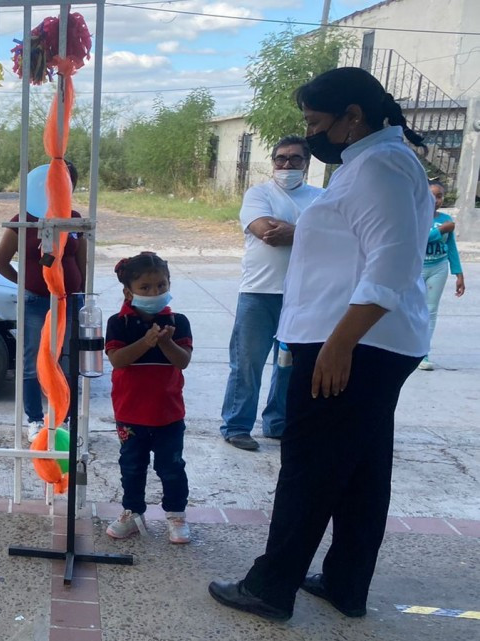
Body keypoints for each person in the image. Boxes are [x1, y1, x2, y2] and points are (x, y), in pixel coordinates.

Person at [209, 67, 432, 622]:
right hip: (367, 342)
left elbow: (392, 267)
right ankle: (344, 582)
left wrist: (338, 345)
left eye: (315, 123)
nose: (308, 136)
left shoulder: (379, 167)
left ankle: (270, 587)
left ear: (352, 117)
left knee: (309, 468)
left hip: (354, 345)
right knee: (360, 471)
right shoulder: (377, 161)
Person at [220, 136, 325, 451]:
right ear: (273, 162)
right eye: (281, 159)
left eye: (294, 159)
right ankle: (236, 426)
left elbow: (339, 235)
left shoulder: (322, 196)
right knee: (247, 364)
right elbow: (266, 231)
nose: (287, 165)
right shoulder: (258, 194)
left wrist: (295, 231)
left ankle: (278, 424)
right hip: (259, 292)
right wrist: (309, 231)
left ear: (306, 163)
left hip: (304, 295)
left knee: (289, 366)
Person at [0, 162, 87, 440]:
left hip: (69, 302)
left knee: (67, 361)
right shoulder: (24, 219)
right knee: (34, 360)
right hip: (36, 302)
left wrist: (83, 295)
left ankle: (63, 419)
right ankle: (35, 419)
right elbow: (0, 261)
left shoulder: (75, 219)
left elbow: (82, 263)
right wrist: (28, 283)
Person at [103, 252, 193, 544]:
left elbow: (182, 361)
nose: (155, 293)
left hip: (168, 414)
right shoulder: (118, 324)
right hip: (131, 414)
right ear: (129, 291)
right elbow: (118, 360)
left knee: (172, 466)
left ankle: (176, 515)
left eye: (161, 285)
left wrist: (165, 342)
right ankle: (132, 512)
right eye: (145, 288)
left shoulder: (179, 322)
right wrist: (146, 342)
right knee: (131, 466)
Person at [419, 179, 466, 370]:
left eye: (439, 196)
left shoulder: (445, 218)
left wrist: (459, 273)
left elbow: (451, 247)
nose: (436, 200)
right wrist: (440, 230)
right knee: (412, 310)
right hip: (417, 268)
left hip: (439, 268)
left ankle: (423, 354)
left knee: (430, 311)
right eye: (432, 195)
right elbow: (419, 240)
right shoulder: (417, 216)